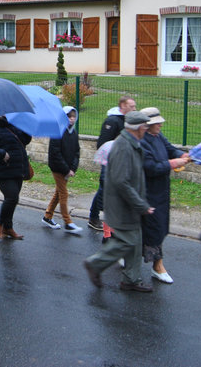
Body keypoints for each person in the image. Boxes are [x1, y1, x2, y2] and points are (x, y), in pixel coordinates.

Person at [83, 110, 154, 292]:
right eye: (145, 126)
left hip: (129, 204)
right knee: (126, 241)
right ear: (137, 128)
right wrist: (140, 204)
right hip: (122, 205)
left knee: (135, 240)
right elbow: (121, 182)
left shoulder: (132, 143)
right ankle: (95, 264)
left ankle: (131, 279)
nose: (147, 129)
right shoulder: (123, 147)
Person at [139, 107, 189, 284]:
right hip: (148, 194)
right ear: (146, 125)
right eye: (156, 123)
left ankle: (124, 254)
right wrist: (173, 163)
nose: (160, 124)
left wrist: (181, 154)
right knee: (154, 230)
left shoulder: (158, 136)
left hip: (161, 192)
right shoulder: (142, 142)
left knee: (158, 228)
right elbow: (151, 167)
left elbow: (170, 148)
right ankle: (157, 266)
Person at [88, 96, 137, 231]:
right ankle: (95, 218)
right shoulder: (112, 121)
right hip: (110, 162)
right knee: (104, 189)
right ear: (123, 106)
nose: (134, 109)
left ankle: (111, 222)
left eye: (134, 106)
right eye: (131, 106)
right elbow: (102, 143)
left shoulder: (128, 121)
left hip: (122, 162)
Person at [0, 113, 32, 240]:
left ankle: (8, 228)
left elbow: (25, 140)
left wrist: (26, 127)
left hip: (17, 169)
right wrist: (2, 153)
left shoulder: (12, 125)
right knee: (12, 198)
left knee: (13, 199)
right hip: (2, 171)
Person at [42, 106, 82, 234]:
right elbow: (55, 153)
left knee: (59, 193)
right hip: (57, 168)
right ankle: (68, 222)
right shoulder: (57, 131)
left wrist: (73, 168)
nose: (71, 119)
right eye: (69, 117)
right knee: (64, 193)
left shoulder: (73, 133)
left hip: (67, 169)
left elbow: (77, 151)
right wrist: (66, 169)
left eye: (73, 117)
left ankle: (48, 216)